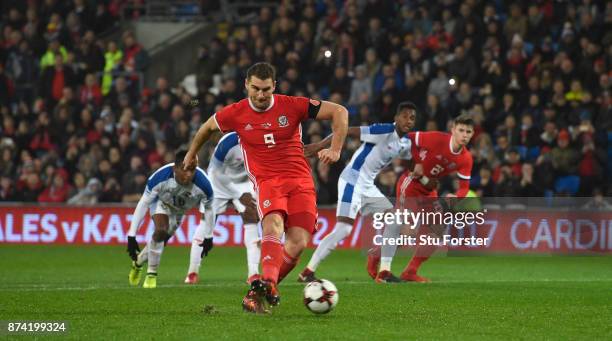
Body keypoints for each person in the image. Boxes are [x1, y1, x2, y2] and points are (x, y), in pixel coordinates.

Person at [183, 62, 348, 313]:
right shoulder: (235, 112)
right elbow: (207, 128)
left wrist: (335, 148)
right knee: (273, 225)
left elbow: (340, 111)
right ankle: (268, 282)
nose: (261, 95)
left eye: (266, 90)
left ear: (274, 87)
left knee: (298, 242)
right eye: (256, 89)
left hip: (300, 181)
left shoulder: (292, 105)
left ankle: (257, 293)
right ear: (246, 85)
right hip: (268, 182)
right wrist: (192, 154)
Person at [297, 102, 417, 283]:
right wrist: (320, 146)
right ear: (396, 118)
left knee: (395, 221)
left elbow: (410, 161)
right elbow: (347, 129)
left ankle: (384, 272)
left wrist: (415, 173)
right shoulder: (383, 131)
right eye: (405, 116)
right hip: (352, 180)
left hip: (367, 186)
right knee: (344, 229)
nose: (408, 121)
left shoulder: (405, 144)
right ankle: (308, 271)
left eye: (412, 118)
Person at [368, 114, 475, 282]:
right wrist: (415, 161)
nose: (464, 135)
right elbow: (407, 137)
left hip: (429, 190)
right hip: (410, 184)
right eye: (461, 130)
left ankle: (410, 271)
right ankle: (377, 254)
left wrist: (456, 196)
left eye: (468, 132)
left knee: (436, 231)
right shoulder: (436, 139)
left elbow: (464, 188)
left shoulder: (466, 158)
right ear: (453, 130)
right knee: (407, 231)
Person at [126, 151, 214, 289]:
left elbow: (209, 209)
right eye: (185, 170)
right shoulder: (161, 177)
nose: (189, 175)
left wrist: (209, 236)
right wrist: (132, 235)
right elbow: (143, 203)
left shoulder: (205, 184)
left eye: (193, 170)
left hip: (179, 212)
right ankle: (151, 276)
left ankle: (137, 263)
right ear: (176, 168)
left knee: (159, 241)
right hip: (161, 203)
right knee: (161, 230)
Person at [184, 132, 261, 285]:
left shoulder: (264, 141)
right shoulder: (228, 143)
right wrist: (237, 194)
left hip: (244, 182)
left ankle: (253, 274)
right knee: (206, 225)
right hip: (218, 182)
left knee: (252, 218)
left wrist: (257, 194)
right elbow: (215, 171)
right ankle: (192, 272)